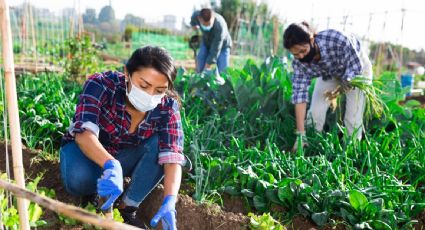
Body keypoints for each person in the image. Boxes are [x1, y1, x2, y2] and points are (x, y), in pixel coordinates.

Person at [60, 46, 185, 229]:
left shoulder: (167, 108)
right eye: (144, 85)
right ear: (127, 73)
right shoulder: (102, 85)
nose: (150, 95)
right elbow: (84, 134)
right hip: (86, 154)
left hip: (124, 156)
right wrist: (111, 164)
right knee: (79, 178)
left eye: (159, 90)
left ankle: (127, 207)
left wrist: (170, 201)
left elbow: (172, 156)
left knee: (161, 145)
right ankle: (92, 194)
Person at [282, 22, 373, 151]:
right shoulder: (299, 64)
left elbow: (355, 69)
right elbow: (299, 97)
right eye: (296, 54)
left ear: (312, 39)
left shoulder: (338, 40)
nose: (301, 56)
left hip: (357, 69)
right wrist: (300, 134)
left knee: (353, 116)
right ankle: (308, 144)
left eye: (303, 51)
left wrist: (341, 87)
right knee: (315, 112)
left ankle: (351, 151)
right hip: (330, 73)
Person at [190, 8, 232, 74]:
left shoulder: (220, 26)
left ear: (213, 18)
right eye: (204, 24)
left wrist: (207, 65)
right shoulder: (197, 16)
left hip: (222, 46)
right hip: (206, 42)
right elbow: (193, 18)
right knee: (200, 62)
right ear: (199, 19)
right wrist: (193, 25)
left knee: (224, 71)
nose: (207, 26)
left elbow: (215, 49)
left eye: (209, 24)